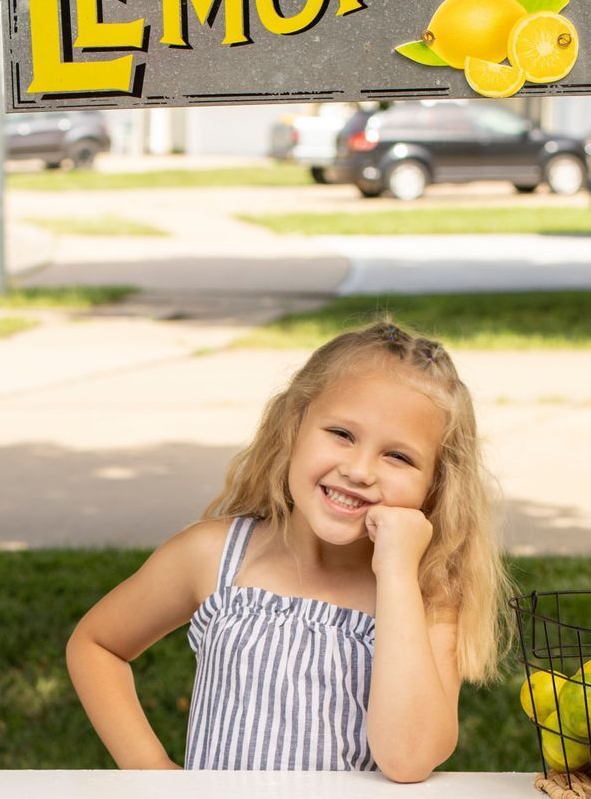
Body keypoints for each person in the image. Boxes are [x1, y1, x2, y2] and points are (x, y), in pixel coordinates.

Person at [66, 320, 514, 782]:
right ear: (293, 426)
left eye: (398, 457)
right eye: (341, 433)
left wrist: (397, 572)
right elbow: (97, 644)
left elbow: (409, 758)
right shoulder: (212, 556)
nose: (359, 470)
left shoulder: (428, 595)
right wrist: (153, 772)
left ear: (436, 486)